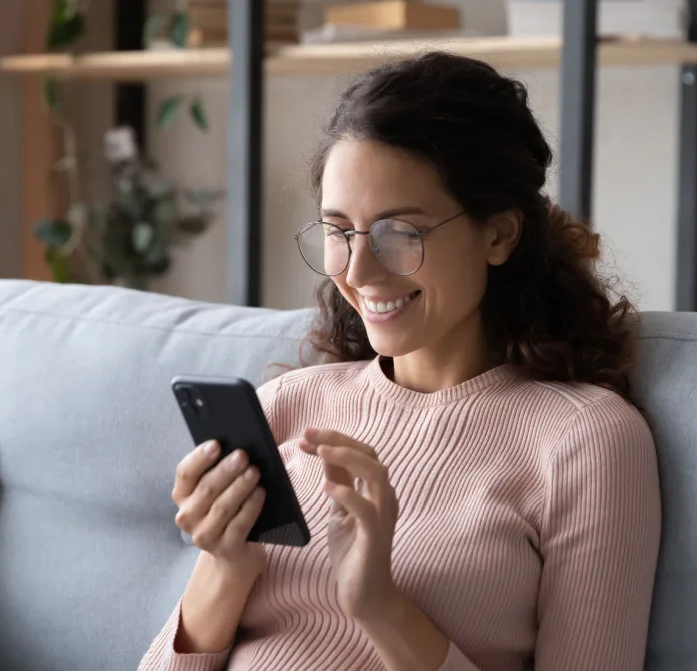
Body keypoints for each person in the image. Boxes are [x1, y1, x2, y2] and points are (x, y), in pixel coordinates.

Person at [139, 51, 661, 671]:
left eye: (400, 232)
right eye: (339, 231)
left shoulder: (583, 442)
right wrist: (226, 565)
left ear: (498, 234)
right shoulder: (288, 407)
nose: (358, 272)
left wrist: (381, 606)